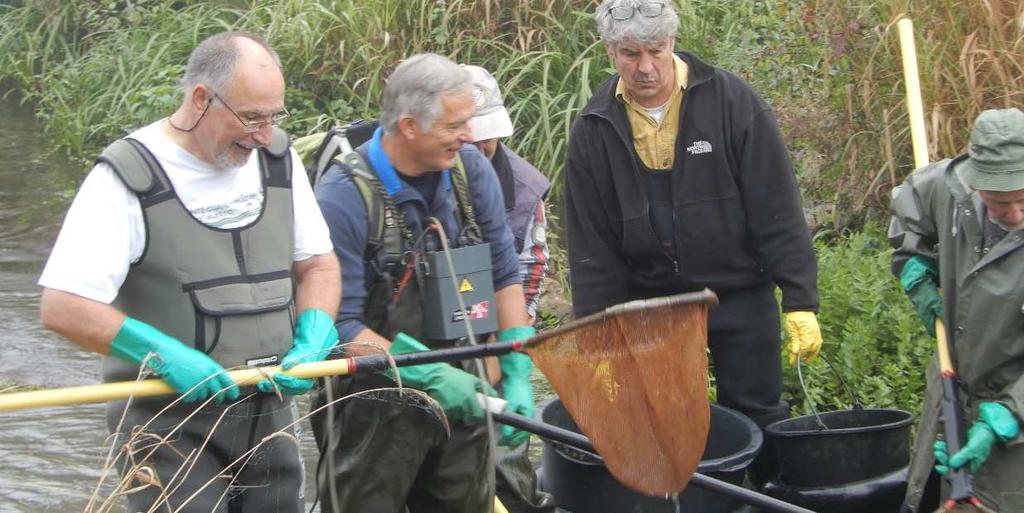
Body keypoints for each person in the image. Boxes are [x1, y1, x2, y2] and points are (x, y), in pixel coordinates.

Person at [37, 32, 341, 513]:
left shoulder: (278, 161)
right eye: (251, 117)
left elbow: (318, 265)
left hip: (270, 414)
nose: (264, 134)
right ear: (201, 98)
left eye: (273, 117)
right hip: (166, 423)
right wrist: (164, 356)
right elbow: (63, 306)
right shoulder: (125, 177)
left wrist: (315, 330)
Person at [564, 0, 823, 447]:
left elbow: (776, 206)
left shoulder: (732, 102)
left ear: (673, 43)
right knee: (667, 427)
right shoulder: (593, 127)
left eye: (656, 50)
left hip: (739, 293)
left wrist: (800, 297)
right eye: (630, 54)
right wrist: (597, 334)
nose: (646, 67)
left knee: (758, 418)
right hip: (652, 304)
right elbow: (592, 247)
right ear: (610, 53)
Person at [312, 53, 536, 513]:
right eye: (455, 125)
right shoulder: (343, 196)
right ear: (409, 125)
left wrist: (516, 367)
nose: (469, 136)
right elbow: (340, 326)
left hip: (468, 399)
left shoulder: (471, 173)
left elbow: (503, 272)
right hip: (375, 409)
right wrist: (429, 374)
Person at [891, 108, 1024, 513]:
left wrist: (1009, 412)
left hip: (1012, 408)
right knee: (940, 496)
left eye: (1023, 198)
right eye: (1000, 203)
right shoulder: (948, 189)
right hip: (950, 390)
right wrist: (913, 267)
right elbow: (908, 221)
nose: (1015, 214)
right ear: (976, 183)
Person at [463, 64, 555, 513]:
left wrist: (508, 363)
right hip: (427, 347)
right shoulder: (414, 174)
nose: (481, 146)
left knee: (506, 469)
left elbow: (529, 273)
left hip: (500, 332)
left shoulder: (523, 188)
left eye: (488, 135)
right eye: (469, 136)